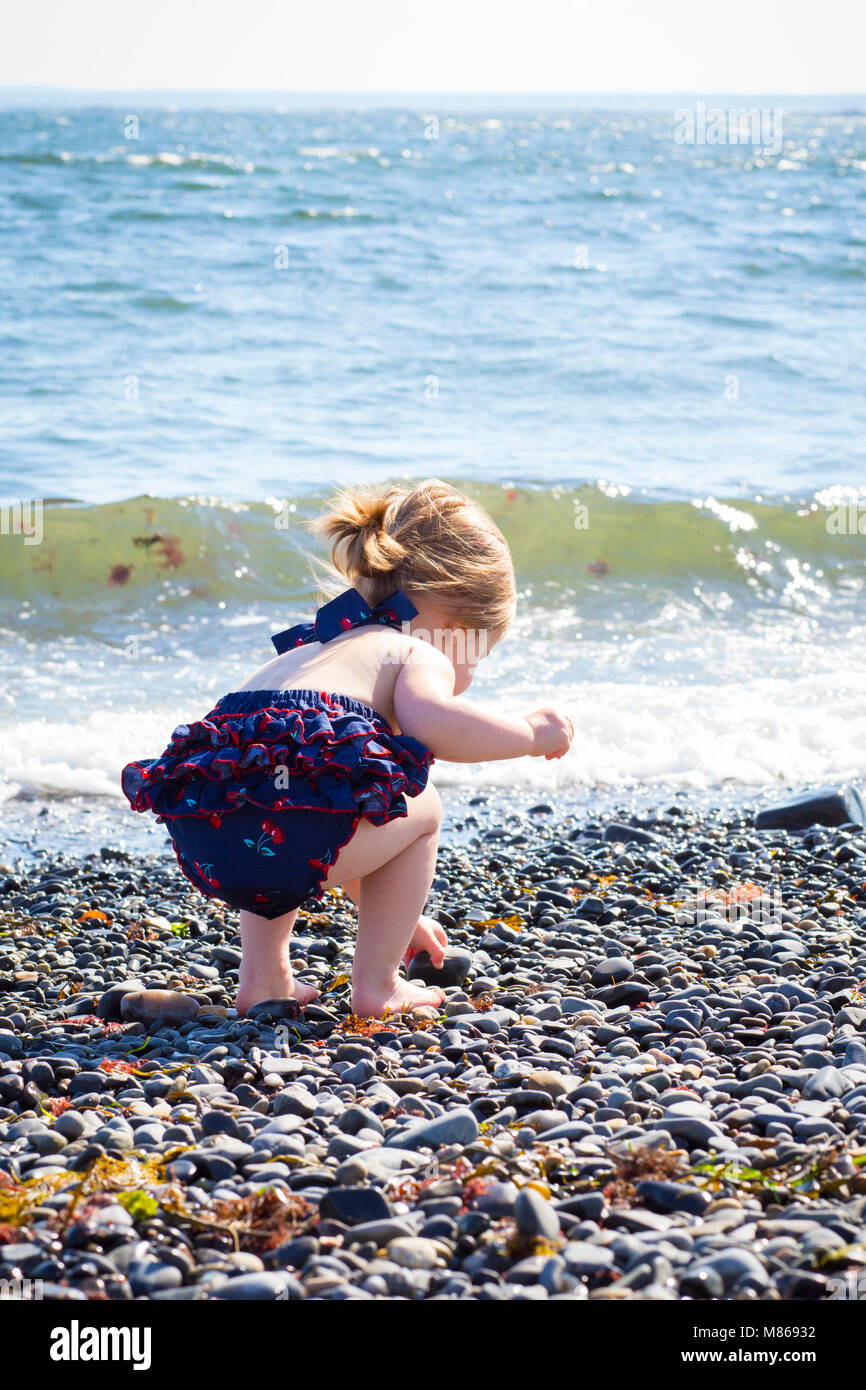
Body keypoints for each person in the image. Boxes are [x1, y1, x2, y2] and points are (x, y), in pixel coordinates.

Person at [122, 479, 573, 1018]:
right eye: (480, 654)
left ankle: (264, 978)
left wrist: (399, 917)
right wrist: (529, 734)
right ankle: (379, 986)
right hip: (279, 833)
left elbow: (327, 808)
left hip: (206, 835)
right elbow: (436, 726)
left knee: (274, 791)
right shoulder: (411, 648)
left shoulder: (313, 648)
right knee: (420, 805)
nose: (470, 676)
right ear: (455, 625)